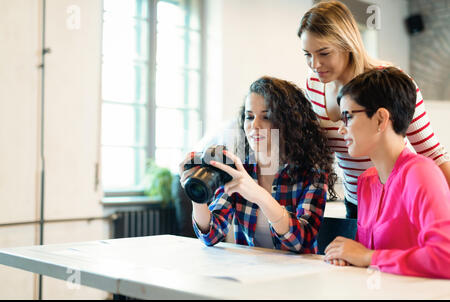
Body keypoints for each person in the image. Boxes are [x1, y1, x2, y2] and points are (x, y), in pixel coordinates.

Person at [298, 1, 450, 219]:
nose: (315, 64)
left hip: (396, 201)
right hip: (356, 203)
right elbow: (319, 154)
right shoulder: (314, 86)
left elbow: (432, 152)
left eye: (324, 53)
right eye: (307, 54)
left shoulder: (388, 82)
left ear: (347, 44)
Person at [178, 76, 336, 253]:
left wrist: (260, 196)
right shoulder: (240, 167)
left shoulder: (312, 173)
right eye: (249, 116)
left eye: (266, 117)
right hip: (251, 273)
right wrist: (197, 194)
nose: (254, 125)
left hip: (296, 275)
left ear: (288, 122)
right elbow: (211, 235)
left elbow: (301, 242)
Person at [324, 67, 450, 279]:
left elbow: (445, 257)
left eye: (348, 117)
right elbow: (365, 256)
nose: (341, 129)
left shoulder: (420, 174)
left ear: (381, 119)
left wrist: (367, 257)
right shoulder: (366, 181)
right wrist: (347, 255)